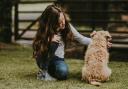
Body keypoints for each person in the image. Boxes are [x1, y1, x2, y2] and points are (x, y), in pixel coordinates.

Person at [33, 4, 112, 81]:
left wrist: (101, 43)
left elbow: (82, 39)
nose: (63, 23)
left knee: (63, 73)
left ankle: (50, 71)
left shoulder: (67, 26)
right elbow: (37, 47)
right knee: (54, 41)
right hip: (43, 57)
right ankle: (44, 72)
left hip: (57, 59)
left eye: (63, 19)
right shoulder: (45, 29)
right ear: (52, 22)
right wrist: (48, 39)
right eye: (59, 22)